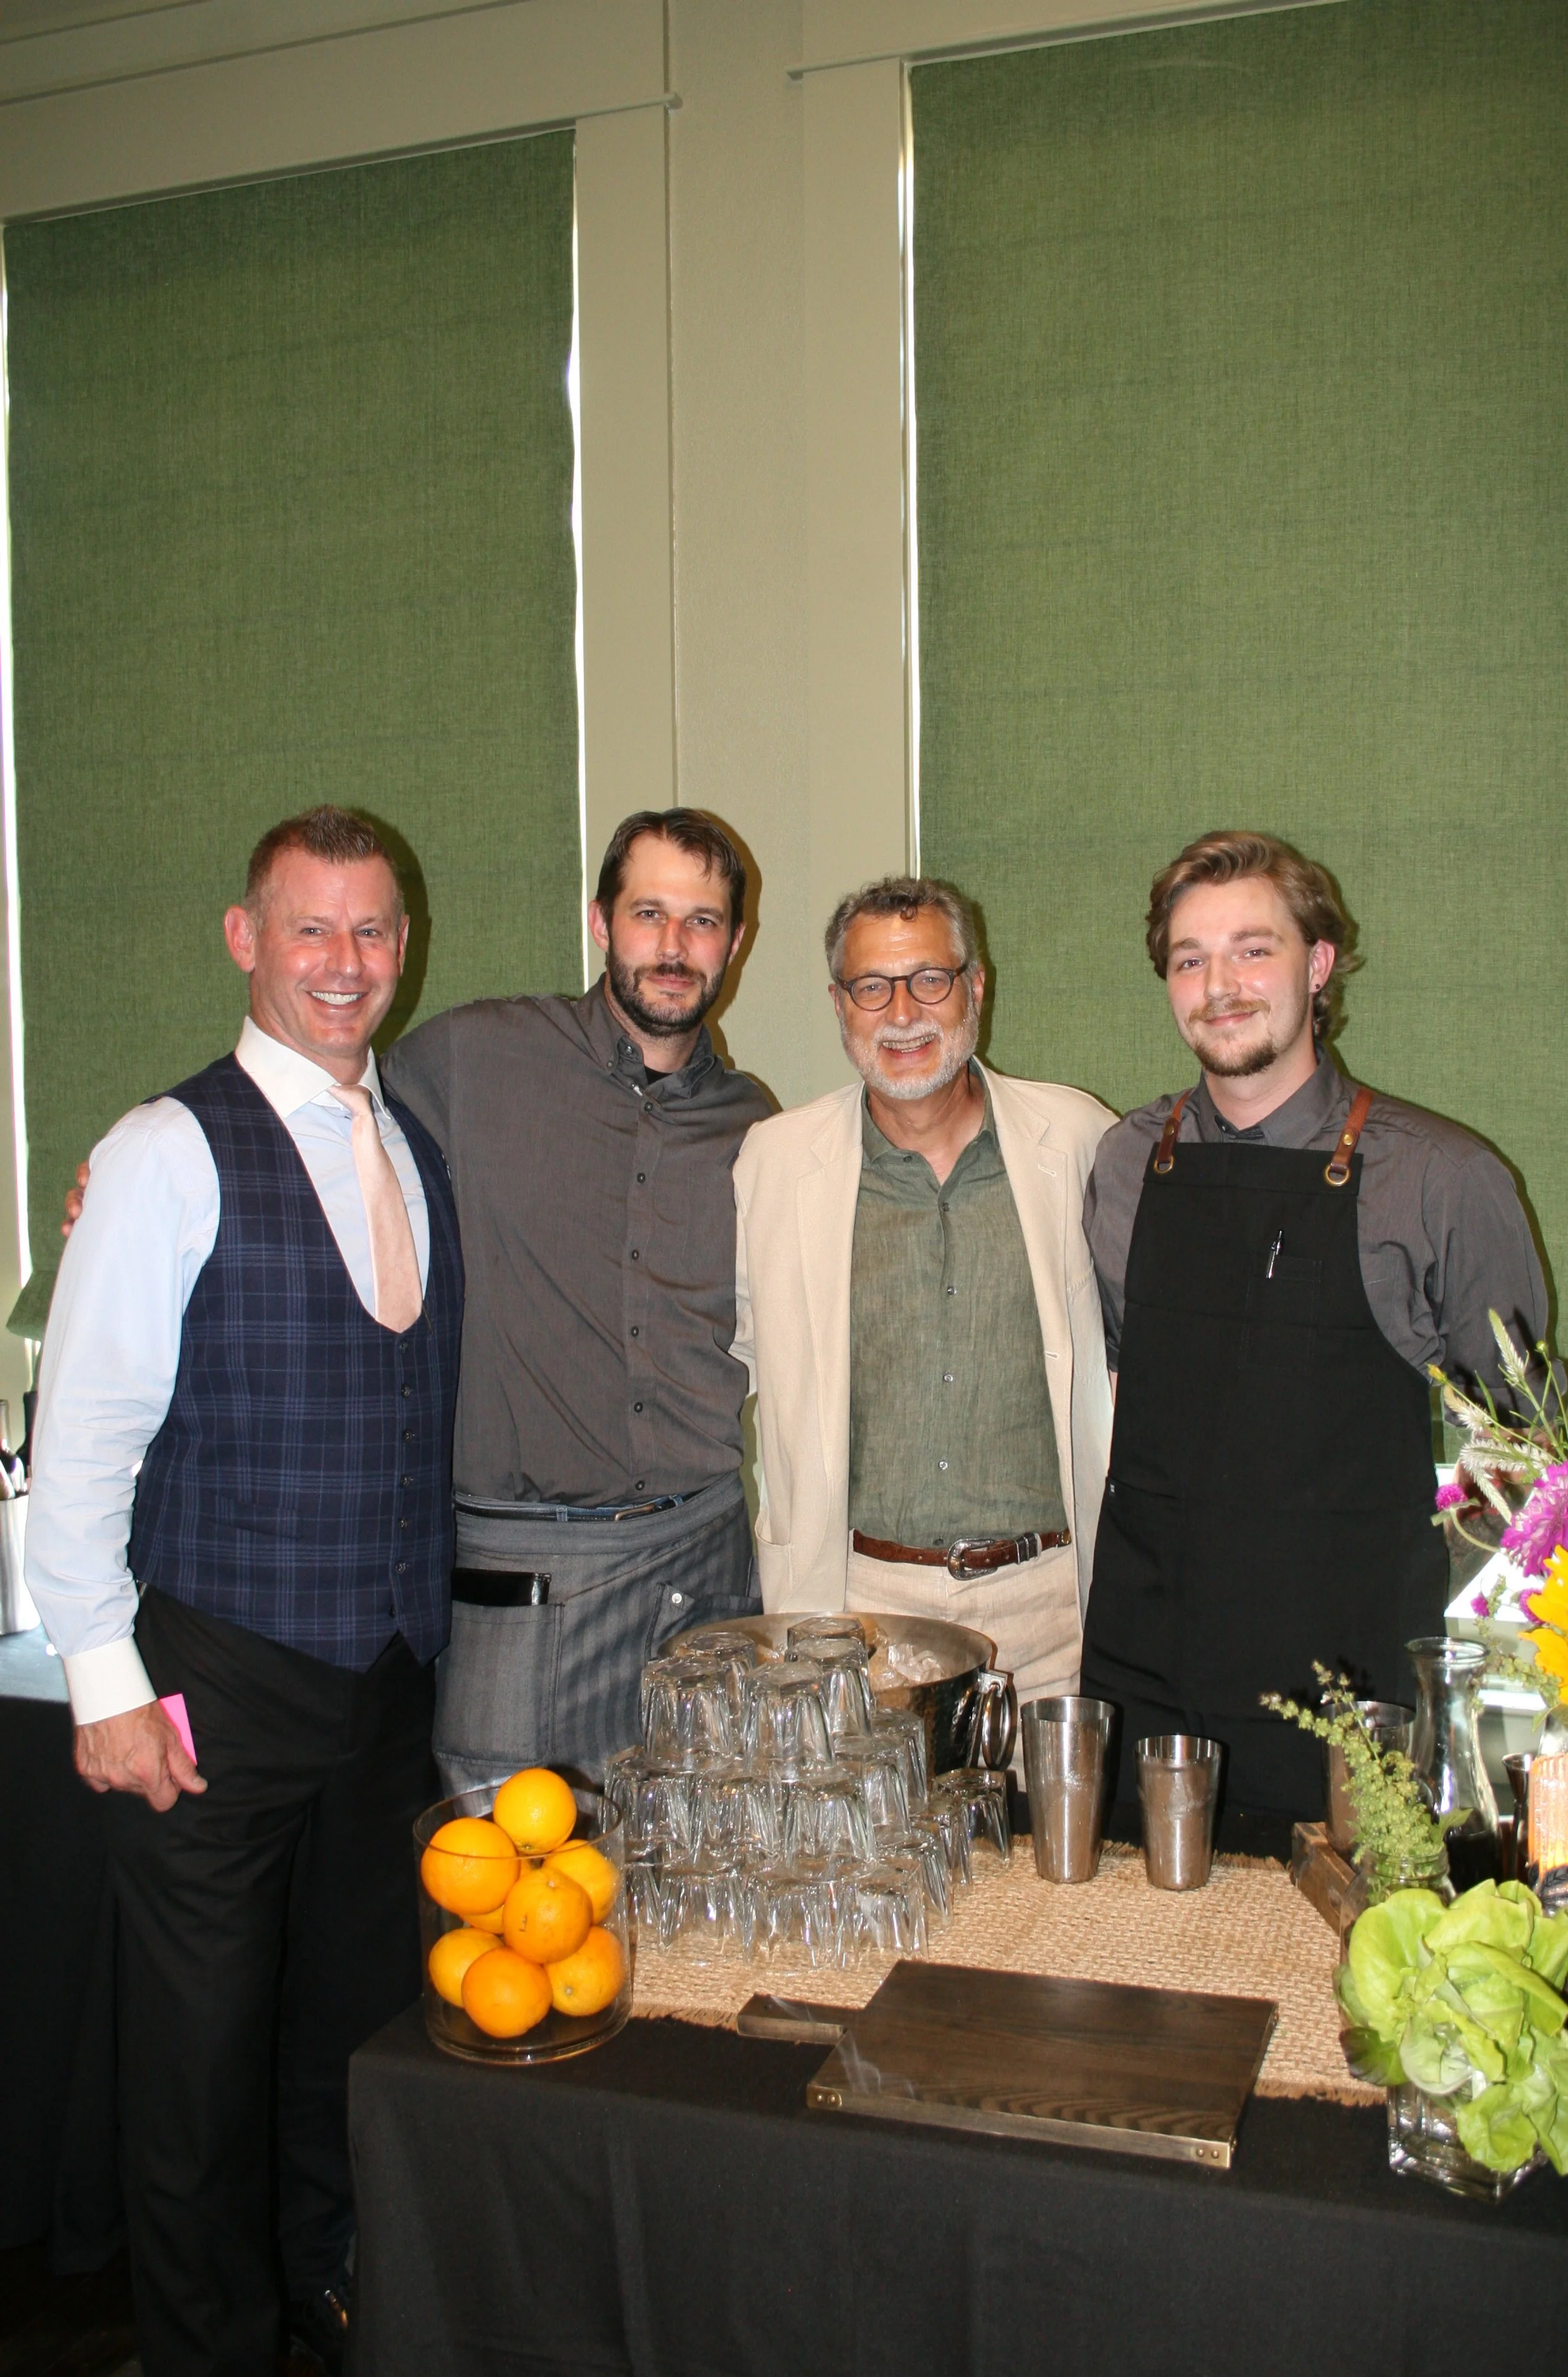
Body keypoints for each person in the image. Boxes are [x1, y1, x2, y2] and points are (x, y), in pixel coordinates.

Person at [27, 806, 463, 2377]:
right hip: (214, 1676)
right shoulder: (162, 1151)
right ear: (245, 938)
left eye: (373, 931)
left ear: (403, 947)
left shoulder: (409, 1138)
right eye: (311, 930)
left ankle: (323, 2307)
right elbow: (82, 1434)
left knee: (341, 2041)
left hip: (383, 1682)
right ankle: (205, 2352)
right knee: (200, 2072)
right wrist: (101, 1684)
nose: (345, 964)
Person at [1080, 829, 1548, 1823]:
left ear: (1320, 962)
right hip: (1151, 1671)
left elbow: (1531, 1476)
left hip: (1351, 1692)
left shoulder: (1444, 1180)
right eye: (1189, 958)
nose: (1222, 985)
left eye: (1255, 948)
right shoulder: (1125, 1164)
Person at [379, 809, 771, 1794]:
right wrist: (144, 1170)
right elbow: (316, 1122)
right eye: (649, 913)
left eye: (703, 920)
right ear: (601, 921)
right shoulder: (472, 1060)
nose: (674, 947)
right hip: (525, 1567)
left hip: (705, 1560)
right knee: (511, 1903)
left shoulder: (756, 1125)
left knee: (708, 1875)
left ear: (734, 939)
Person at [732, 877, 1114, 1718]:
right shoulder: (774, 1164)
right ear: (840, 1004)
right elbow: (719, 1371)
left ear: (976, 987)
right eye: (873, 986)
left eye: (930, 980)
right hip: (858, 1615)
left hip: (1053, 1617)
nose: (902, 1011)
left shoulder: (1081, 1141)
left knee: (1052, 1855)